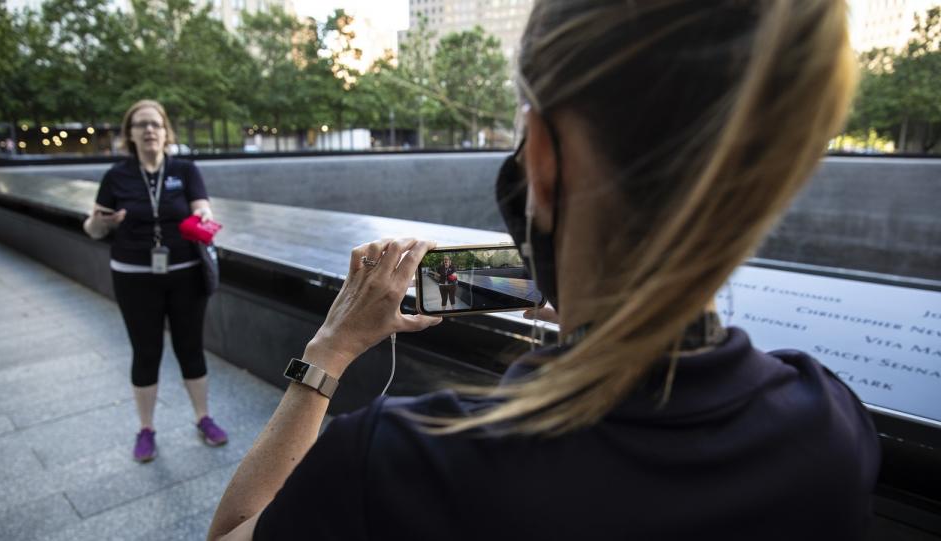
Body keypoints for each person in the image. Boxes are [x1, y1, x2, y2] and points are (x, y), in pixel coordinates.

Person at [209, 1, 879, 539]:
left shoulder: (402, 466)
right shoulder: (833, 428)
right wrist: (612, 313)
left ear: (546, 162)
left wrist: (329, 350)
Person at [83, 99, 228, 463]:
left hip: (185, 275)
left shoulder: (185, 169)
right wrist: (102, 222)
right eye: (141, 125)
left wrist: (203, 214)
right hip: (134, 277)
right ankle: (146, 429)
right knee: (145, 351)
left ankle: (203, 417)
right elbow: (92, 228)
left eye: (156, 124)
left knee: (190, 348)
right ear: (130, 134)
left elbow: (202, 206)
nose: (149, 130)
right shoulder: (117, 176)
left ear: (166, 132)